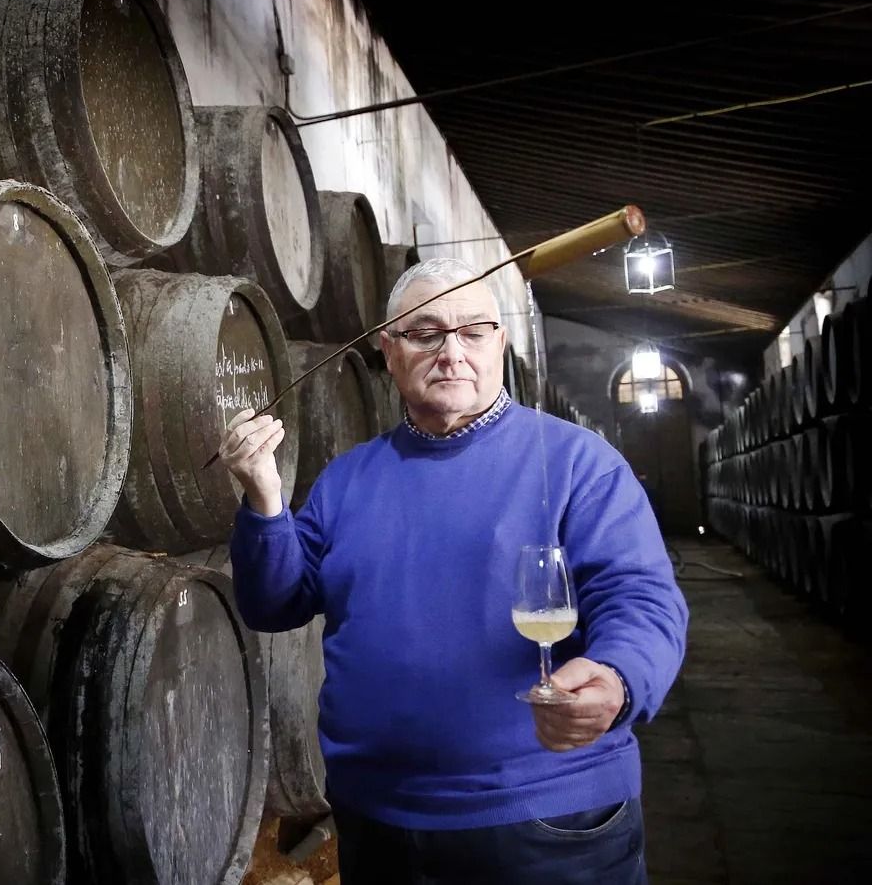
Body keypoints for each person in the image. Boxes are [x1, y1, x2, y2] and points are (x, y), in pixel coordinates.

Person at [220, 257, 688, 884]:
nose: (452, 352)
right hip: (380, 819)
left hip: (547, 819)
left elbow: (641, 596)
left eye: (473, 331)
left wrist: (618, 675)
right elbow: (274, 602)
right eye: (425, 332)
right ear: (389, 351)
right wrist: (264, 499)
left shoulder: (579, 462)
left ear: (500, 341)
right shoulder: (349, 478)